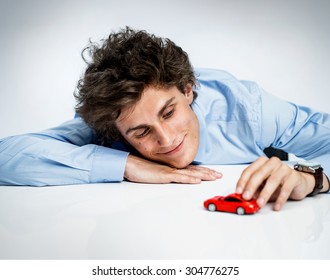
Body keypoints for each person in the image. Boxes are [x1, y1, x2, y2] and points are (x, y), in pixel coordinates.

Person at [0, 27, 329, 212]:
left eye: (169, 112)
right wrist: (126, 164)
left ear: (188, 90)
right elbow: (7, 155)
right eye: (141, 132)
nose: (167, 139)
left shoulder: (247, 109)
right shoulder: (106, 123)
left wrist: (311, 179)